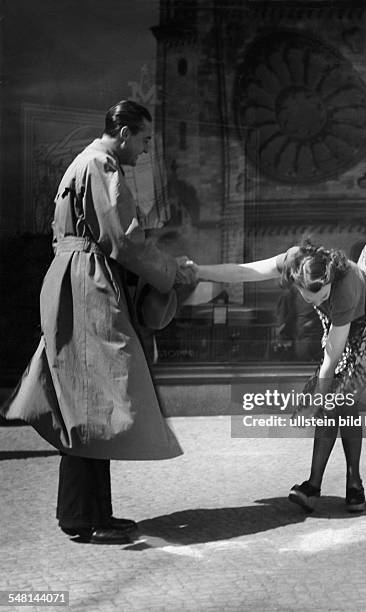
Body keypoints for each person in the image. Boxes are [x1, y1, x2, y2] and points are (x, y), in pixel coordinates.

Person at [1, 100, 195, 544]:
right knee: (93, 398)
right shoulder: (102, 164)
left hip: (75, 279)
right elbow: (123, 240)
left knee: (87, 399)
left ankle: (90, 513)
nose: (145, 150)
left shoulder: (84, 162)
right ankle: (81, 515)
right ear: (124, 133)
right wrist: (171, 272)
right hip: (87, 284)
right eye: (144, 139)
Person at [185, 209, 366, 513]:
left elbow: (333, 354)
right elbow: (244, 272)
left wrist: (319, 396)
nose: (317, 301)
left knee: (337, 399)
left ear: (331, 280)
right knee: (341, 401)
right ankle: (349, 484)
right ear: (296, 279)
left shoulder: (343, 290)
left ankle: (321, 485)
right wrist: (199, 270)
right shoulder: (295, 260)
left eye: (322, 295)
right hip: (346, 322)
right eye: (310, 297)